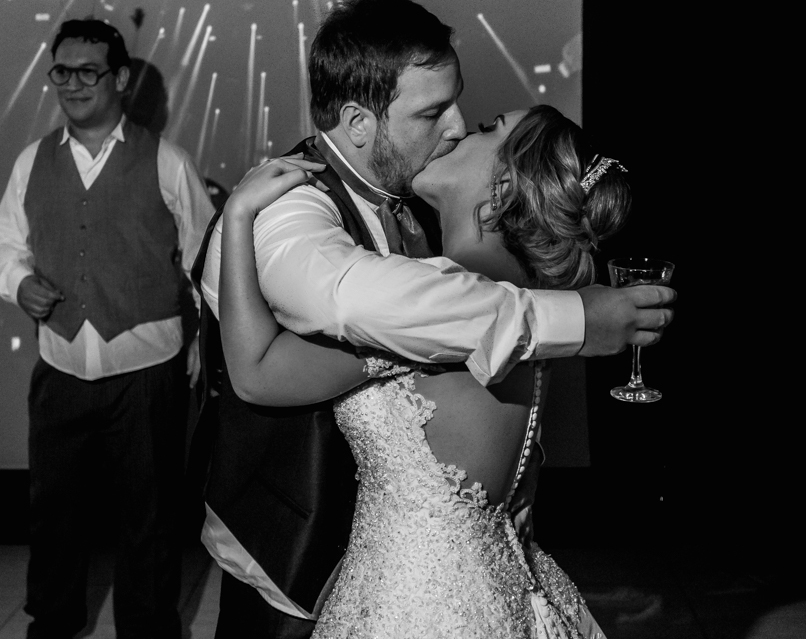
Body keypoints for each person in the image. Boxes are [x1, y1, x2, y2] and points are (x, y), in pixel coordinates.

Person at [195, 0, 673, 638]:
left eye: (467, 114)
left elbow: (273, 370)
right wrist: (575, 322)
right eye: (432, 112)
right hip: (294, 554)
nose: (456, 126)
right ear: (358, 121)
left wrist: (510, 477)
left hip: (417, 587)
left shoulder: (443, 250)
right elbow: (358, 300)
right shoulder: (290, 208)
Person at [220, 106, 622, 637]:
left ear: (502, 188)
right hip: (487, 586)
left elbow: (258, 373)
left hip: (414, 606)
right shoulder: (521, 295)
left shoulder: (442, 310)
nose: (458, 129)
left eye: (486, 128)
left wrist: (238, 215)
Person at [0, 18, 215, 639]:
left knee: (150, 515)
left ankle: (149, 629)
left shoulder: (167, 160)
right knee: (53, 512)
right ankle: (53, 624)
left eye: (88, 71)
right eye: (62, 71)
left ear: (119, 79)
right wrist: (17, 279)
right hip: (60, 365)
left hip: (147, 369)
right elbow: (4, 242)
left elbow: (208, 258)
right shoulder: (32, 161)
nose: (72, 84)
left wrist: (205, 340)